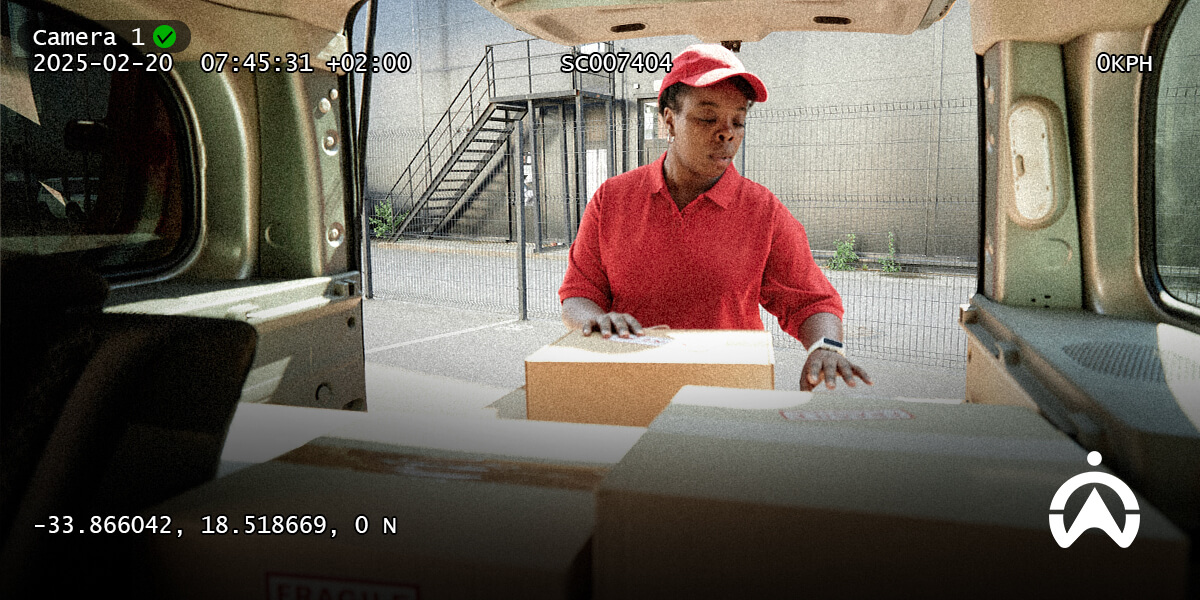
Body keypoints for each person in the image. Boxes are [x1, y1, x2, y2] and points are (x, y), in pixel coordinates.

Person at [558, 43, 871, 392]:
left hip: (730, 391)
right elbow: (578, 294)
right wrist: (596, 321)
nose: (727, 132)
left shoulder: (762, 211)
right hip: (630, 387)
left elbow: (812, 302)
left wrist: (825, 346)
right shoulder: (613, 199)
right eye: (708, 118)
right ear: (668, 121)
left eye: (738, 120)